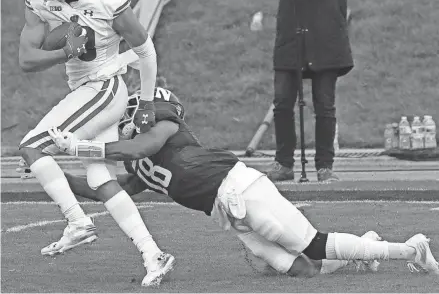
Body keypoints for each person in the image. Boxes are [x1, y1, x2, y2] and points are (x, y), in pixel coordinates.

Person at [45, 89, 439, 277]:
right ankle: (364, 247)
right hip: (228, 214)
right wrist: (53, 172)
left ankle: (410, 250)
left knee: (313, 244)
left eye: (133, 113)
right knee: (303, 270)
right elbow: (103, 190)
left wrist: (80, 147)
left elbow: (134, 148)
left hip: (240, 189)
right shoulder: (143, 167)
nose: (129, 119)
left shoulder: (165, 128)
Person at [18, 0, 172, 286]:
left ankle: (77, 222)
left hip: (103, 88)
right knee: (100, 179)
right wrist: (66, 51)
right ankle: (153, 255)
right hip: (86, 88)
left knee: (32, 146)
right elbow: (27, 59)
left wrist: (146, 101)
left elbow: (146, 51)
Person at [262, 0, 357, 182]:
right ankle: (283, 164)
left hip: (325, 29)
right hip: (291, 27)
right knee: (282, 101)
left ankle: (325, 166)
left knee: (324, 104)